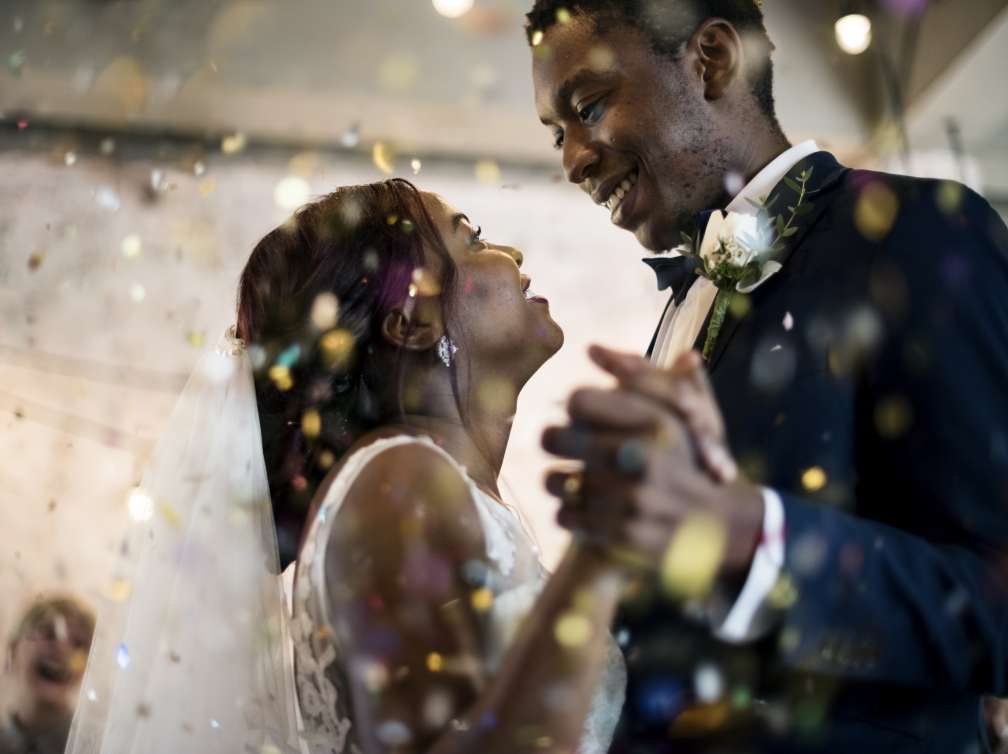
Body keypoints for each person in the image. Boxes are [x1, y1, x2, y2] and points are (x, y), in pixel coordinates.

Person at [527, 1, 1008, 753]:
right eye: (558, 137)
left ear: (712, 59)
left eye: (587, 108)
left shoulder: (917, 233)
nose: (574, 160)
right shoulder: (685, 300)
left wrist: (754, 538)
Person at [66, 178, 631, 754]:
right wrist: (603, 551)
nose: (513, 255)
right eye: (472, 238)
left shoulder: (427, 488)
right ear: (411, 323)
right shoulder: (399, 487)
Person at [1, 596, 95, 754]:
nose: (63, 649)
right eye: (49, 634)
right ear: (13, 649)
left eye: (79, 644)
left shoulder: (94, 748)